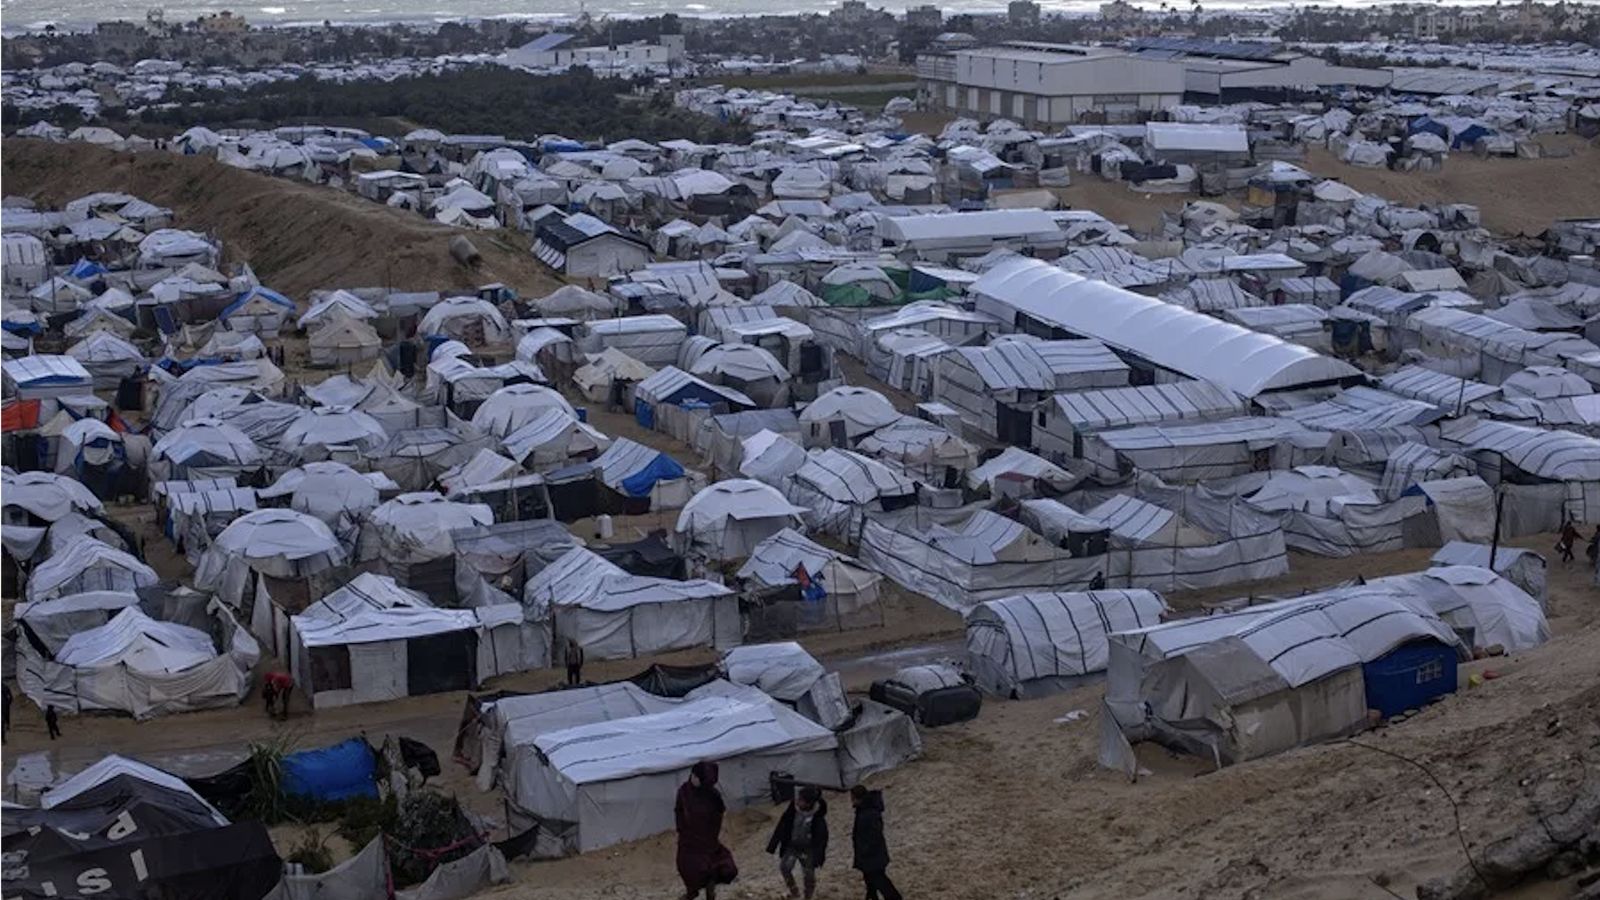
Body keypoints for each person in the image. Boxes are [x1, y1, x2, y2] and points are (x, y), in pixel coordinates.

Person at [675, 761, 736, 900]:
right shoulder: (684, 791)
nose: (693, 778)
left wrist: (711, 832)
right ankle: (691, 892)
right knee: (687, 867)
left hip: (707, 838)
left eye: (696, 777)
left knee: (711, 868)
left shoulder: (712, 794)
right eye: (693, 776)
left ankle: (710, 892)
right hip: (688, 839)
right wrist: (682, 829)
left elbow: (719, 812)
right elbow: (679, 811)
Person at [768, 786, 829, 900]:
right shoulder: (792, 811)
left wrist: (819, 856)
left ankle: (808, 897)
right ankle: (794, 891)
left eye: (801, 800)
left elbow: (822, 839)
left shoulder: (817, 817)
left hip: (808, 849)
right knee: (785, 867)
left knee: (809, 875)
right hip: (792, 846)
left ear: (808, 803)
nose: (798, 801)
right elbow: (781, 827)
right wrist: (773, 845)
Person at [851, 785, 901, 900]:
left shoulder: (868, 813)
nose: (851, 801)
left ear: (858, 798)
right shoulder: (864, 809)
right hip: (870, 855)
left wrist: (864, 850)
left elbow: (874, 834)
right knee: (870, 882)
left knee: (880, 882)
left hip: (871, 856)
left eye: (852, 798)